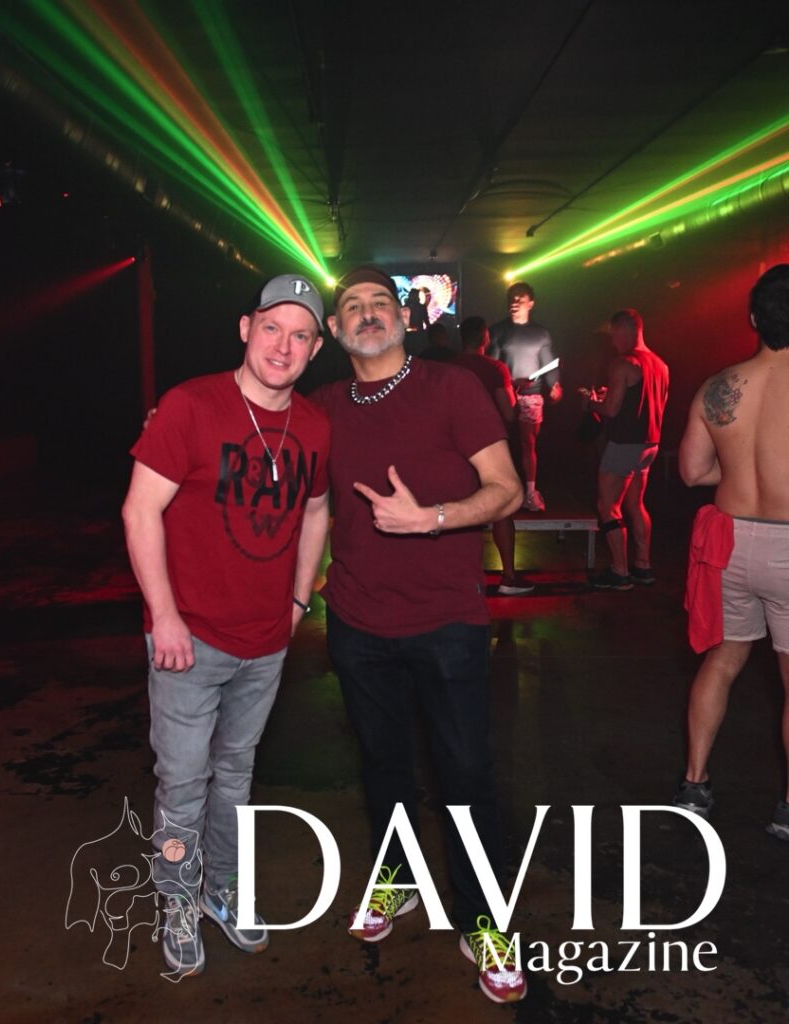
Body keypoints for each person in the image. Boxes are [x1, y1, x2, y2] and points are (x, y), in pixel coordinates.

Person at [311, 266, 527, 1004]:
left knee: (464, 775)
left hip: (446, 621)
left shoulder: (451, 388)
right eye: (353, 306)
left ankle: (483, 920)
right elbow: (257, 431)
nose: (369, 313)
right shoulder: (323, 406)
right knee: (382, 765)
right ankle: (397, 881)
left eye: (381, 303)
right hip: (356, 619)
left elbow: (507, 489)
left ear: (404, 320)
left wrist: (430, 518)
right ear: (335, 331)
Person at [121, 274, 331, 977]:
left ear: (316, 349)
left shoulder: (315, 425)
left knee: (236, 778)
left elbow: (317, 511)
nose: (283, 346)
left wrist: (299, 601)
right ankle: (177, 902)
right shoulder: (191, 405)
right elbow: (139, 511)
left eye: (300, 335)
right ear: (246, 328)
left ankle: (223, 890)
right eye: (272, 327)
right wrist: (165, 617)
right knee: (182, 786)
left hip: (266, 642)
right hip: (189, 640)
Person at [675, 263, 789, 840]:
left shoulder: (718, 387)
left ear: (752, 318)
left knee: (721, 661)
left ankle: (694, 785)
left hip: (731, 543)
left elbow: (693, 472)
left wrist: (741, 472)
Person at [584, 309, 669, 590]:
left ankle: (619, 572)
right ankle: (643, 566)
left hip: (624, 444)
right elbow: (649, 404)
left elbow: (610, 410)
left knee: (607, 506)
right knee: (636, 504)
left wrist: (591, 403)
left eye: (613, 335)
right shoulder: (660, 365)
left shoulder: (623, 363)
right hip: (650, 445)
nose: (612, 341)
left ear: (624, 331)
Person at [455, 316, 532, 595]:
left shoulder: (447, 367)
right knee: (502, 509)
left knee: (458, 512)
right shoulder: (495, 368)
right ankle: (508, 577)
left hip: (455, 449)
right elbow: (509, 413)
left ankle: (461, 579)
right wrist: (517, 393)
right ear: (485, 337)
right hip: (489, 448)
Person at [488, 281, 561, 512]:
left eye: (520, 298)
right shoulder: (498, 331)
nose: (514, 302)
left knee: (528, 442)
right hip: (504, 395)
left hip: (531, 395)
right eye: (511, 298)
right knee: (499, 444)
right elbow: (491, 366)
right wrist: (510, 383)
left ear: (531, 303)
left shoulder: (541, 333)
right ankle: (500, 492)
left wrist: (555, 385)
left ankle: (530, 493)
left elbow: (549, 364)